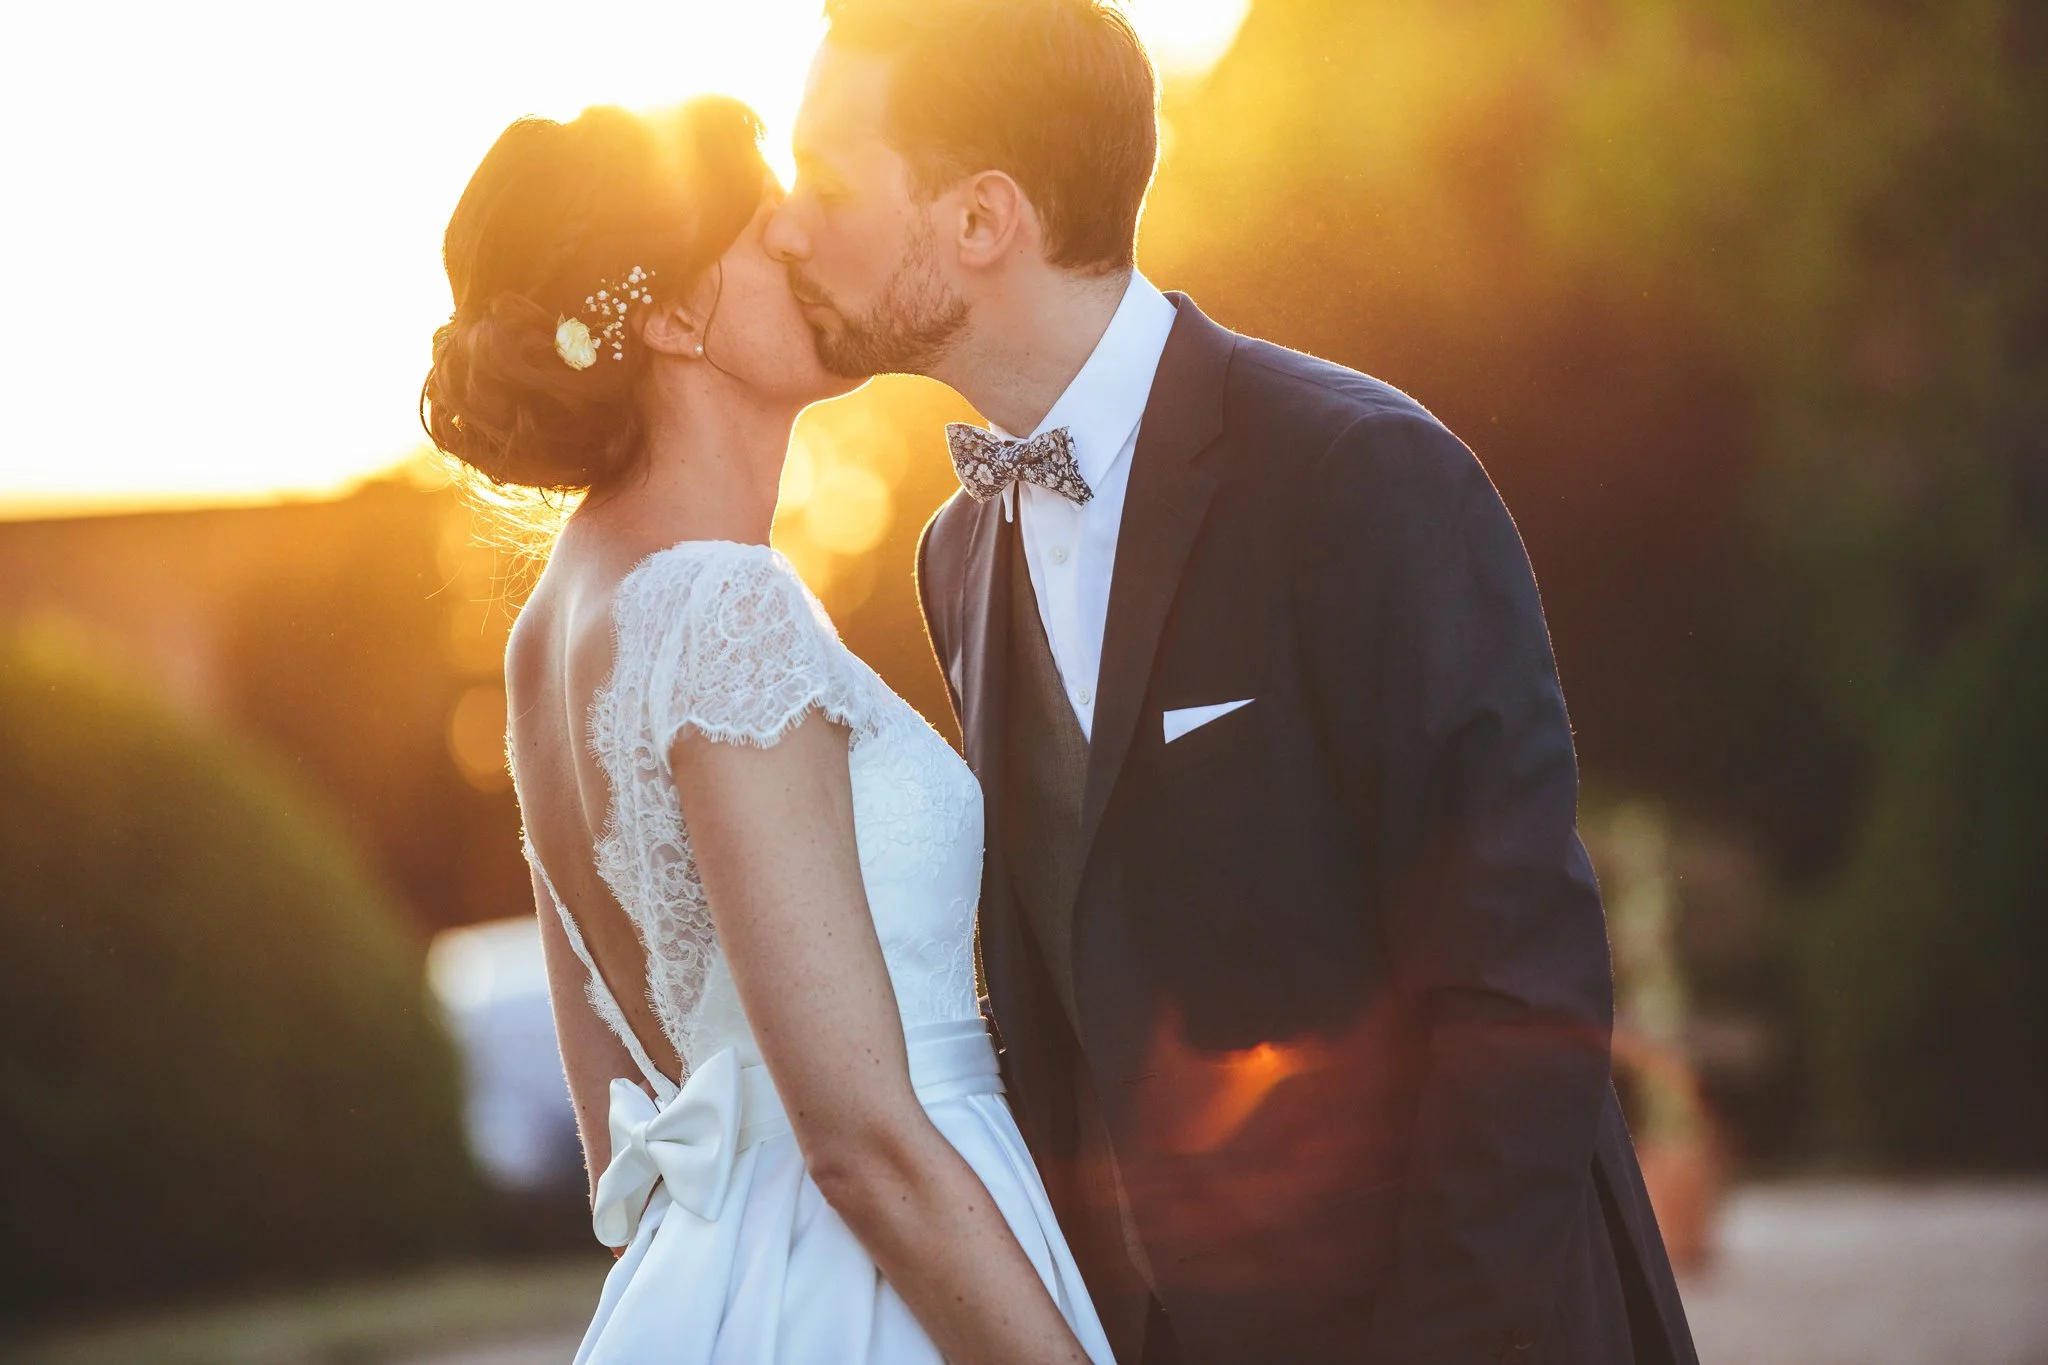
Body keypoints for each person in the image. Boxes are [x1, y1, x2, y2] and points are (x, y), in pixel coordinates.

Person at [764, 2, 1703, 1362]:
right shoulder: (956, 555)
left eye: (824, 179)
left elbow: (1518, 987)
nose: (787, 226)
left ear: (980, 219)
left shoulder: (1357, 475)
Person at [421, 96, 1113, 1365]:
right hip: (875, 1288)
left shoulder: (551, 630)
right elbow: (859, 1146)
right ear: (670, 317)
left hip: (706, 1283)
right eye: (764, 229)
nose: (805, 239)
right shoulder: (725, 606)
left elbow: (618, 1141)